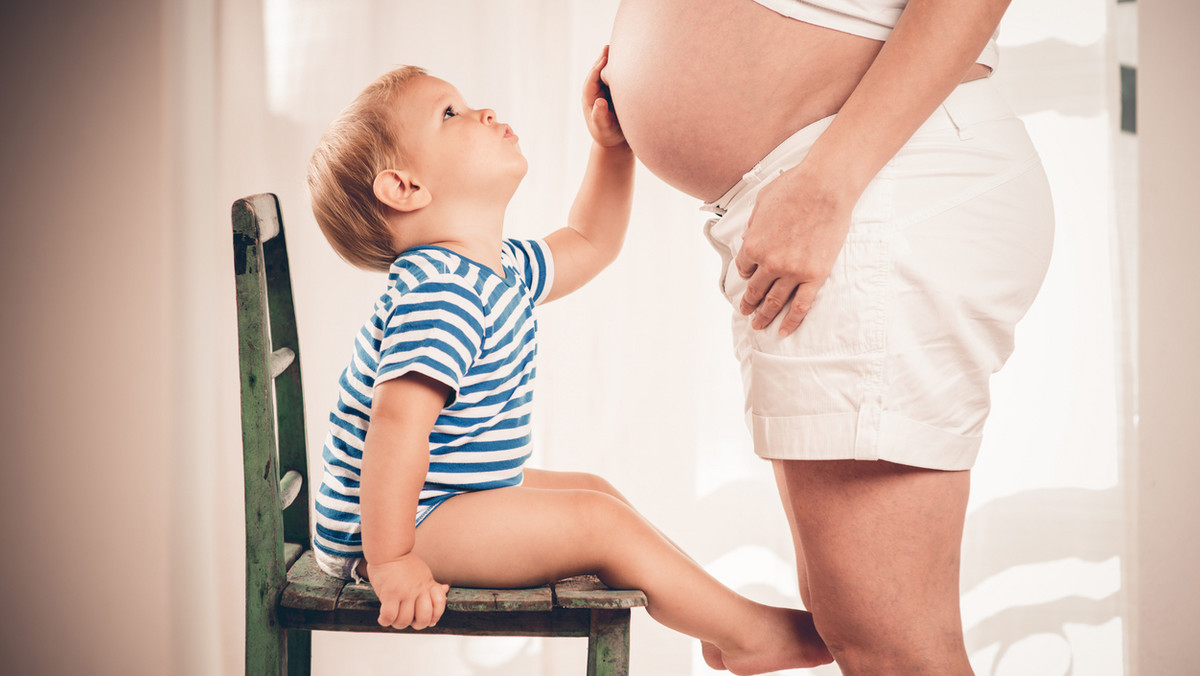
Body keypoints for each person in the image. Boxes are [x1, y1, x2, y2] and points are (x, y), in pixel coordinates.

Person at [304, 51, 833, 674]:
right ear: (405, 187)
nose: (484, 111)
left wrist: (613, 148)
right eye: (451, 113)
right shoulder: (439, 292)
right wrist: (392, 560)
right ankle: (747, 634)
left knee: (595, 492)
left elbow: (590, 240)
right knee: (597, 522)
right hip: (397, 522)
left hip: (442, 496)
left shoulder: (497, 268)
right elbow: (394, 433)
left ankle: (716, 623)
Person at [604, 0, 1054, 673]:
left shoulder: (837, 183)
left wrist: (829, 181)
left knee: (896, 644)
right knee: (859, 626)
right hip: (828, 189)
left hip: (861, 181)